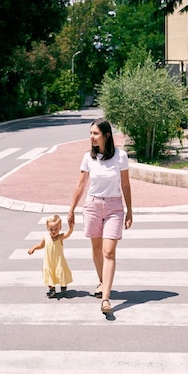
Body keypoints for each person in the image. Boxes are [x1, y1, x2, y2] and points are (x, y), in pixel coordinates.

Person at [67, 117, 133, 315]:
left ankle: (105, 299)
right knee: (96, 249)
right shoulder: (88, 157)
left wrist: (130, 210)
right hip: (93, 205)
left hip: (114, 207)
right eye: (90, 134)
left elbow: (126, 185)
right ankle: (102, 282)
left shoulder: (120, 156)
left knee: (108, 252)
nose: (92, 137)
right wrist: (71, 210)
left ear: (106, 135)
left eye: (95, 133)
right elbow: (80, 185)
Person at [28, 214, 73, 298]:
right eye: (51, 229)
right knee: (49, 276)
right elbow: (41, 245)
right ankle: (52, 289)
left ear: (60, 227)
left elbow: (68, 234)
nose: (53, 231)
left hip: (58, 261)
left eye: (56, 229)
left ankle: (63, 284)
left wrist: (71, 227)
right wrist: (33, 248)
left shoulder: (60, 237)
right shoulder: (46, 237)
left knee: (61, 273)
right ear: (47, 228)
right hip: (49, 261)